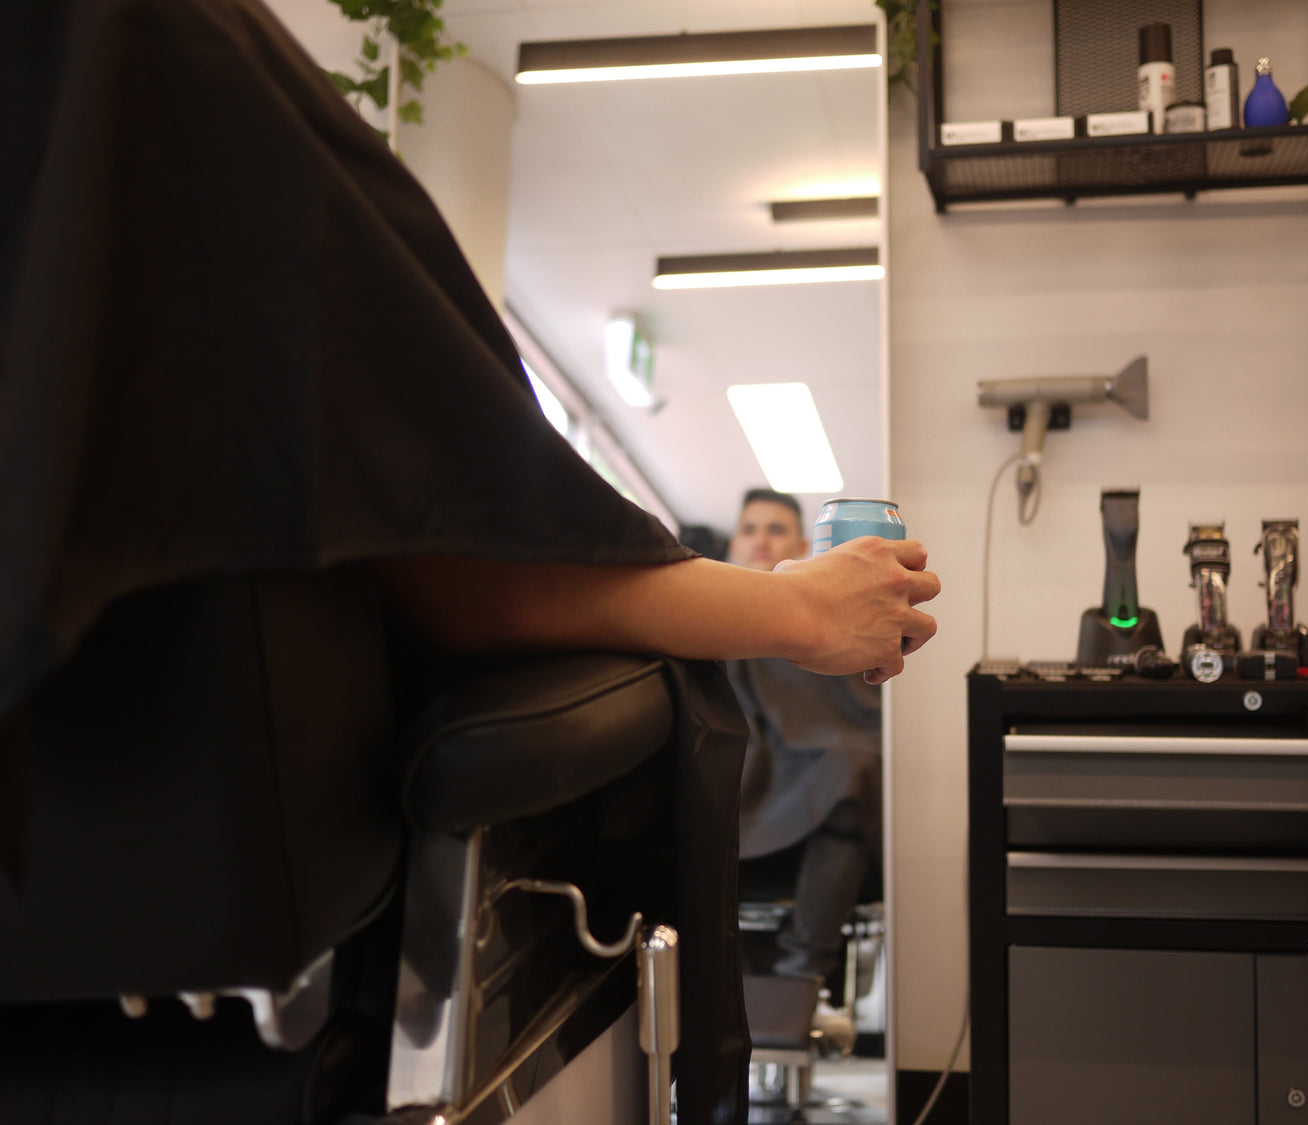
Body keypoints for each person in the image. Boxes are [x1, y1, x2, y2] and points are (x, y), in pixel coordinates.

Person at [0, 2, 938, 1121]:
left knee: (842, 776)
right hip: (187, 893)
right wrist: (789, 618)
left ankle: (801, 951)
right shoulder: (161, 46)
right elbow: (475, 557)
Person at [726, 490, 883, 991]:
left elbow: (857, 714)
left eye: (774, 529)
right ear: (734, 542)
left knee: (848, 769)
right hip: (737, 775)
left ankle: (802, 971)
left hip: (808, 782)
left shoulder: (833, 623)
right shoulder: (707, 628)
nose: (760, 539)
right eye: (750, 529)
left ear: (800, 544)